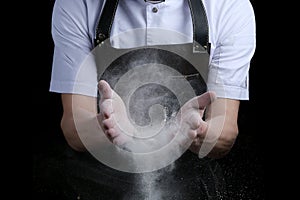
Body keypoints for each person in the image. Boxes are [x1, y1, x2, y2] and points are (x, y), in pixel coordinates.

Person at [48, 0, 256, 199]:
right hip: (96, 184)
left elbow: (225, 132)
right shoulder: (77, 3)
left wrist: (195, 132)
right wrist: (104, 125)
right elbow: (74, 129)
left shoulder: (228, 6)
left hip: (193, 184)